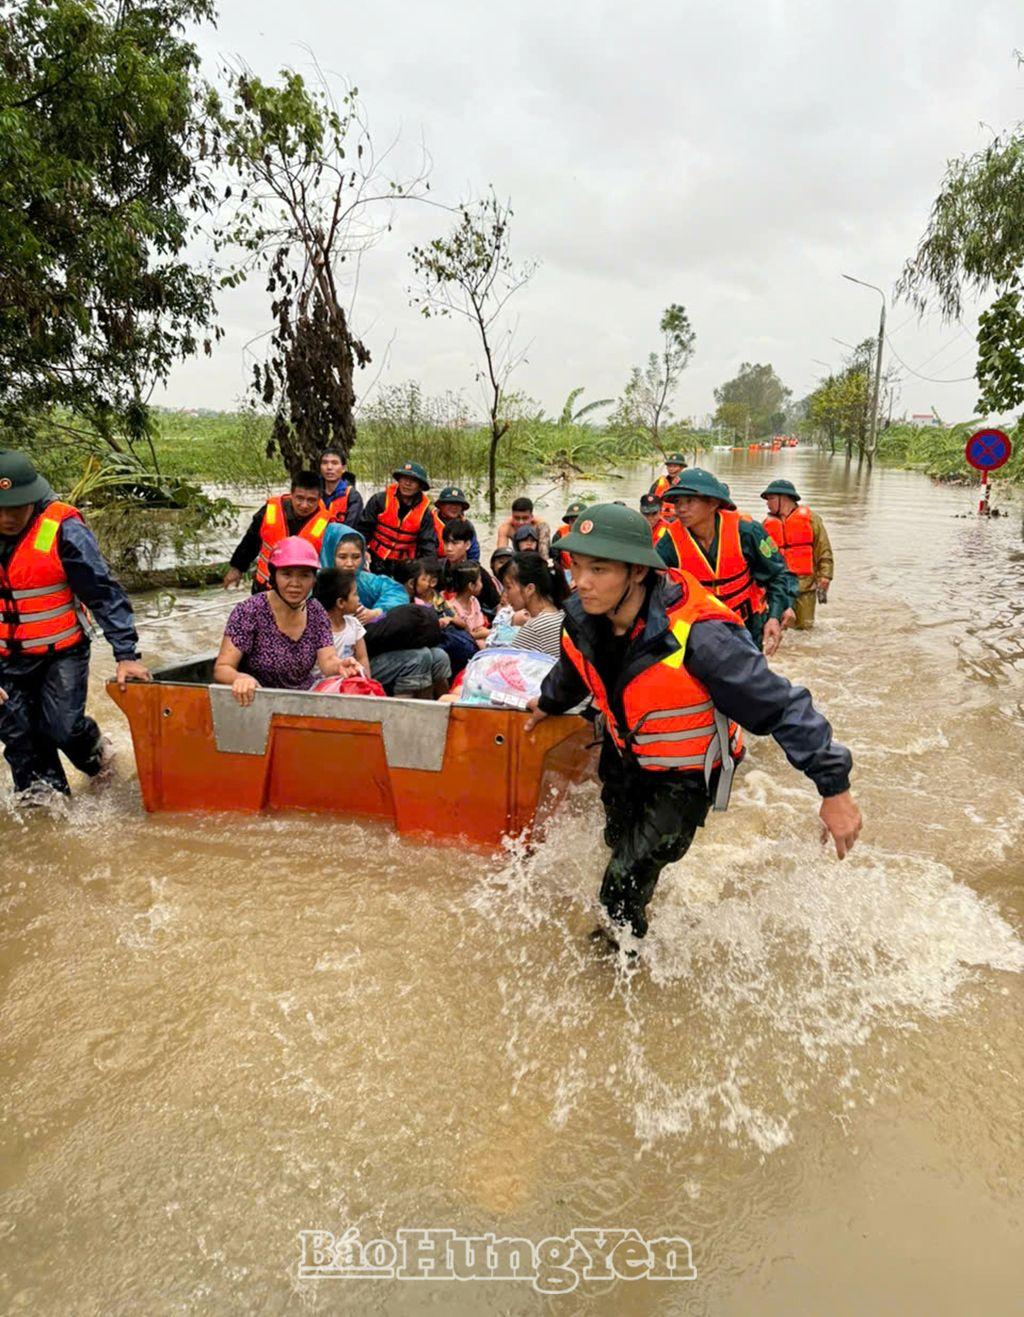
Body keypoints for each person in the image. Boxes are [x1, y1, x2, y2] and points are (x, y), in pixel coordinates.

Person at [524, 504, 862, 951]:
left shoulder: (702, 637)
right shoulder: (582, 620)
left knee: (619, 886)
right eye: (577, 566)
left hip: (685, 775)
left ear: (638, 573)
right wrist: (548, 702)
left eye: (599, 568)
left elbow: (780, 706)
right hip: (627, 758)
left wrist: (834, 788)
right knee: (618, 844)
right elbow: (573, 672)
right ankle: (638, 908)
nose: (581, 581)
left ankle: (619, 970)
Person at [0, 450, 151, 798]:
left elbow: (102, 592)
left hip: (62, 651)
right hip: (6, 657)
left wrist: (126, 653)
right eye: (0, 508)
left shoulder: (63, 529)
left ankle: (100, 756)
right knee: (20, 737)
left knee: (62, 728)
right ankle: (46, 818)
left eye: (16, 508)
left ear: (33, 498)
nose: (6, 518)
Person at [656, 468, 795, 657]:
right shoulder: (669, 543)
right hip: (700, 630)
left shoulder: (746, 532)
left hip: (747, 625)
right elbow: (650, 586)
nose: (681, 509)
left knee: (749, 679)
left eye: (690, 501)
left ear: (713, 503)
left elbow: (777, 574)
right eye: (678, 502)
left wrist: (774, 617)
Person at [215, 538, 355, 706]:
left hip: (303, 701)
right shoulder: (249, 611)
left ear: (313, 580)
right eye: (286, 574)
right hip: (257, 700)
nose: (295, 584)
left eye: (304, 575)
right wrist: (240, 678)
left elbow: (328, 660)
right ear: (274, 576)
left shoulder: (316, 611)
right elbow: (222, 668)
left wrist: (341, 665)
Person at [320, 527, 451, 697]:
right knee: (419, 658)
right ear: (330, 554)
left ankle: (439, 710)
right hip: (339, 664)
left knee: (439, 656)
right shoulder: (319, 585)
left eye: (356, 557)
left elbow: (396, 591)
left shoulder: (365, 580)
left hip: (366, 650)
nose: (350, 563)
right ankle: (401, 717)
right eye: (342, 557)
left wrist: (376, 612)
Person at [224, 470, 329, 592]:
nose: (304, 505)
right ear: (292, 494)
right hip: (264, 587)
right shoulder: (271, 510)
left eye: (311, 500)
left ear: (319, 498)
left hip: (301, 593)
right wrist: (237, 568)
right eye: (300, 498)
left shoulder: (327, 523)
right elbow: (251, 541)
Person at [760, 479, 834, 630]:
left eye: (771, 498)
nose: (767, 503)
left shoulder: (811, 520)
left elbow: (824, 549)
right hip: (778, 588)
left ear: (785, 498)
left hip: (805, 587)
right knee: (779, 629)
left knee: (804, 630)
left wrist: (825, 576)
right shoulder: (766, 525)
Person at [359, 461, 440, 575]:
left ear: (420, 486)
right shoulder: (379, 500)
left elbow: (428, 546)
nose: (407, 483)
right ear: (398, 480)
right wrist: (362, 551)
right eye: (404, 478)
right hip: (374, 558)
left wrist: (428, 572)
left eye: (413, 480)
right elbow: (363, 529)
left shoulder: (425, 514)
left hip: (404, 565)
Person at [501, 551, 568, 658]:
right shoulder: (560, 614)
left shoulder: (534, 628)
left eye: (508, 587)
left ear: (529, 589)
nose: (505, 594)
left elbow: (507, 668)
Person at [313, 568, 371, 673]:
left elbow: (362, 658)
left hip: (349, 684)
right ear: (340, 602)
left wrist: (366, 683)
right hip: (322, 686)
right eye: (355, 594)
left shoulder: (354, 625)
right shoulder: (316, 630)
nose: (358, 598)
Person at [446, 563, 490, 648]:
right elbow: (462, 637)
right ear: (471, 586)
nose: (482, 585)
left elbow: (479, 627)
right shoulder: (452, 607)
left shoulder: (474, 601)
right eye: (480, 581)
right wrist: (485, 633)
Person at [318, 447, 364, 528]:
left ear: (343, 468)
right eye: (325, 463)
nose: (329, 467)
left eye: (334, 463)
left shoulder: (352, 496)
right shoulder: (313, 492)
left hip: (341, 538)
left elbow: (350, 528)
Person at [434, 486, 480, 560]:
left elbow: (473, 551)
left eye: (458, 504)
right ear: (440, 505)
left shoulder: (466, 525)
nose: (454, 507)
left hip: (460, 564)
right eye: (450, 503)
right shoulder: (428, 521)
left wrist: (471, 566)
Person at [551, 501, 586, 572]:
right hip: (565, 571)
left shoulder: (592, 534)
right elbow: (555, 557)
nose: (576, 524)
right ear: (568, 522)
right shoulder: (560, 533)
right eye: (573, 521)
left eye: (579, 521)